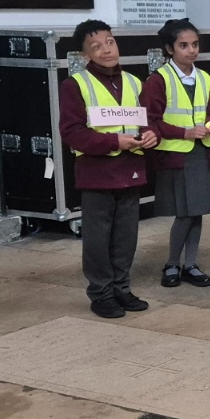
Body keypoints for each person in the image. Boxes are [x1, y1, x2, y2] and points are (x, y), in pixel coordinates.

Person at [59, 20, 156, 318]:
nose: (106, 50)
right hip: (97, 174)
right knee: (98, 240)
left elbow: (148, 121)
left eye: (110, 42)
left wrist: (151, 135)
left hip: (131, 171)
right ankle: (101, 293)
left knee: (126, 236)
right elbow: (72, 132)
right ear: (85, 54)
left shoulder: (134, 82)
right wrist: (115, 141)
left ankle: (121, 289)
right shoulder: (75, 85)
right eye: (96, 46)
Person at [142, 18, 210, 289]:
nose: (191, 50)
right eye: (184, 45)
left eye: (195, 44)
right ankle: (172, 264)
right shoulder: (158, 80)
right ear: (169, 49)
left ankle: (190, 264)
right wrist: (184, 132)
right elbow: (151, 120)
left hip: (202, 153)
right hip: (176, 156)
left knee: (197, 211)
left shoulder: (204, 78)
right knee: (185, 213)